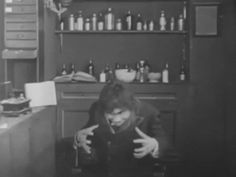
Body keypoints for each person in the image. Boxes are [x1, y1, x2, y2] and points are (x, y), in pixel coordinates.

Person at [73, 81, 170, 177]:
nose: (116, 119)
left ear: (131, 107)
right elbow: (88, 132)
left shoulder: (149, 113)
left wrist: (155, 144)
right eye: (110, 113)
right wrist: (79, 138)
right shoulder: (97, 109)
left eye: (121, 113)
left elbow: (163, 141)